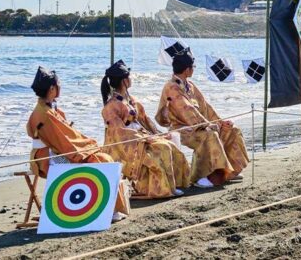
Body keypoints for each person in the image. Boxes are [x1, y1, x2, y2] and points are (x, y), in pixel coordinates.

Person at [26, 66, 130, 221]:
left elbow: (66, 136)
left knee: (104, 158)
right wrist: (87, 149)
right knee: (102, 161)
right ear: (52, 88)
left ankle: (112, 208)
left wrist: (88, 146)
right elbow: (64, 142)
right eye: (59, 84)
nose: (60, 87)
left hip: (57, 150)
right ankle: (109, 211)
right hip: (47, 159)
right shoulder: (45, 114)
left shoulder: (48, 108)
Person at [155, 44, 249, 188]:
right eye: (193, 67)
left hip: (199, 125)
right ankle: (201, 176)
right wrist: (207, 124)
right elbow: (187, 110)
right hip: (181, 129)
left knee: (232, 130)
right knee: (209, 135)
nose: (193, 69)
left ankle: (229, 171)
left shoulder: (190, 85)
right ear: (187, 69)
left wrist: (220, 122)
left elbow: (205, 107)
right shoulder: (171, 87)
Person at [101, 60, 190, 199]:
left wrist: (157, 133)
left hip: (141, 136)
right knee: (163, 147)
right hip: (128, 144)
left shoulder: (131, 99)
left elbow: (145, 120)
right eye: (129, 77)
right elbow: (119, 132)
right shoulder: (111, 106)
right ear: (124, 81)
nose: (131, 79)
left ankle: (173, 185)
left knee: (169, 142)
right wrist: (146, 138)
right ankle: (160, 188)